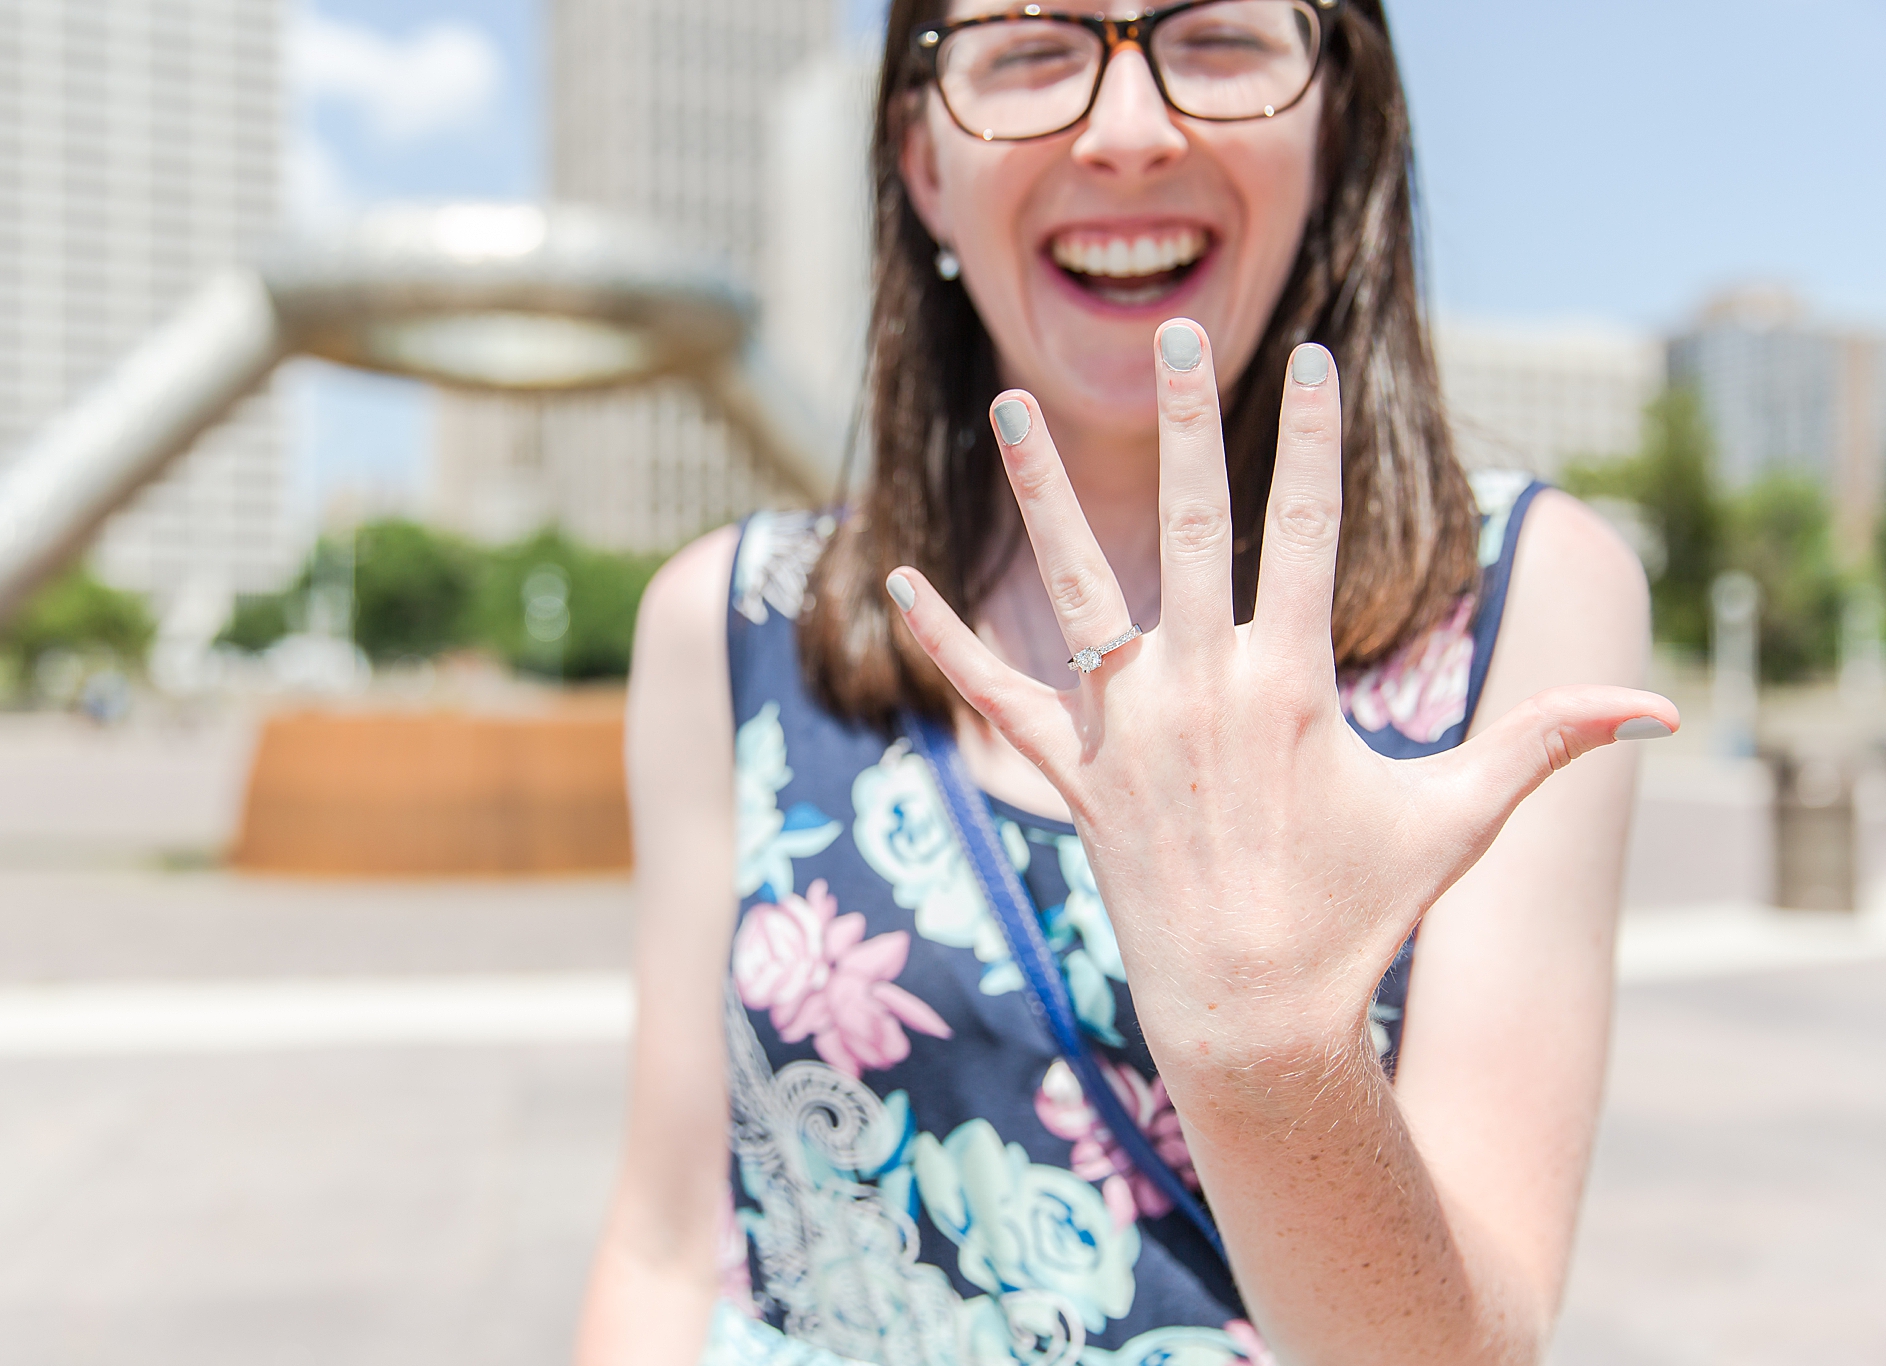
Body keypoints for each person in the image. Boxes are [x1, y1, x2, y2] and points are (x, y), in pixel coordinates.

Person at [576, 2, 1675, 1362]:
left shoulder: (1523, 591)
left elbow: (1471, 1346)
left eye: (1216, 37)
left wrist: (1271, 1046)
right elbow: (668, 1243)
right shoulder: (731, 621)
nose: (1129, 132)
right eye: (1032, 50)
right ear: (923, 163)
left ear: (1339, 122)